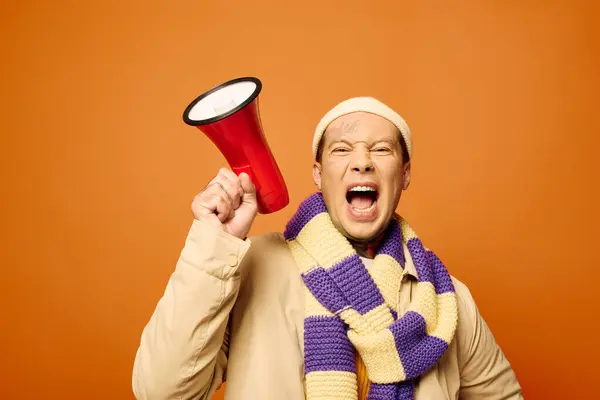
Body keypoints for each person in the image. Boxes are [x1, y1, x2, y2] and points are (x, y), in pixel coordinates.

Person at [132, 97, 524, 400]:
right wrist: (215, 242)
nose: (362, 163)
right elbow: (163, 391)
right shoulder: (250, 267)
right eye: (341, 150)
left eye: (382, 150)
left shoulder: (447, 299)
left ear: (404, 174)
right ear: (318, 175)